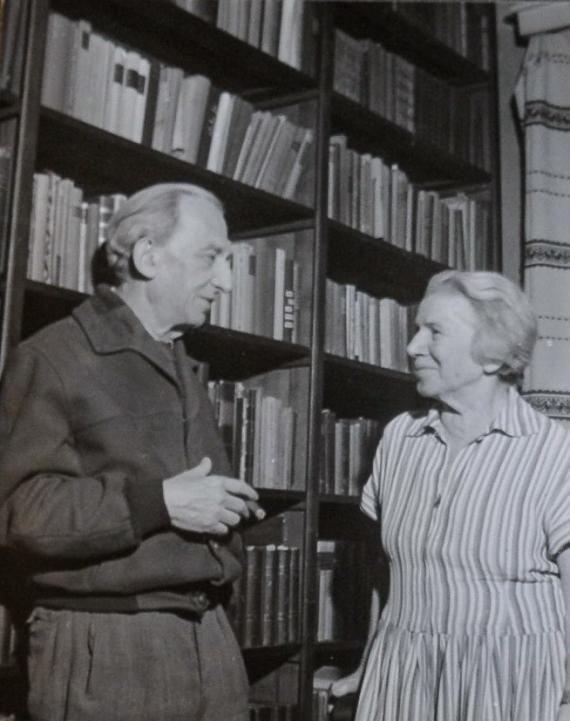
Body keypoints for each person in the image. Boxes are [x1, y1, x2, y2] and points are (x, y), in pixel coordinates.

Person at [0, 182, 265, 721]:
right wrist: (161, 503)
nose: (227, 282)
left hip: (209, 638)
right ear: (148, 256)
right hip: (110, 642)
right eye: (212, 258)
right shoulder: (54, 357)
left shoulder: (179, 361)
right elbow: (19, 513)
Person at [331, 270, 570, 721]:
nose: (413, 346)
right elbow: (387, 571)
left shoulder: (554, 451)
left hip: (508, 685)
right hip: (403, 674)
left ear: (492, 355)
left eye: (434, 332)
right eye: (417, 329)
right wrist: (369, 662)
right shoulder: (400, 439)